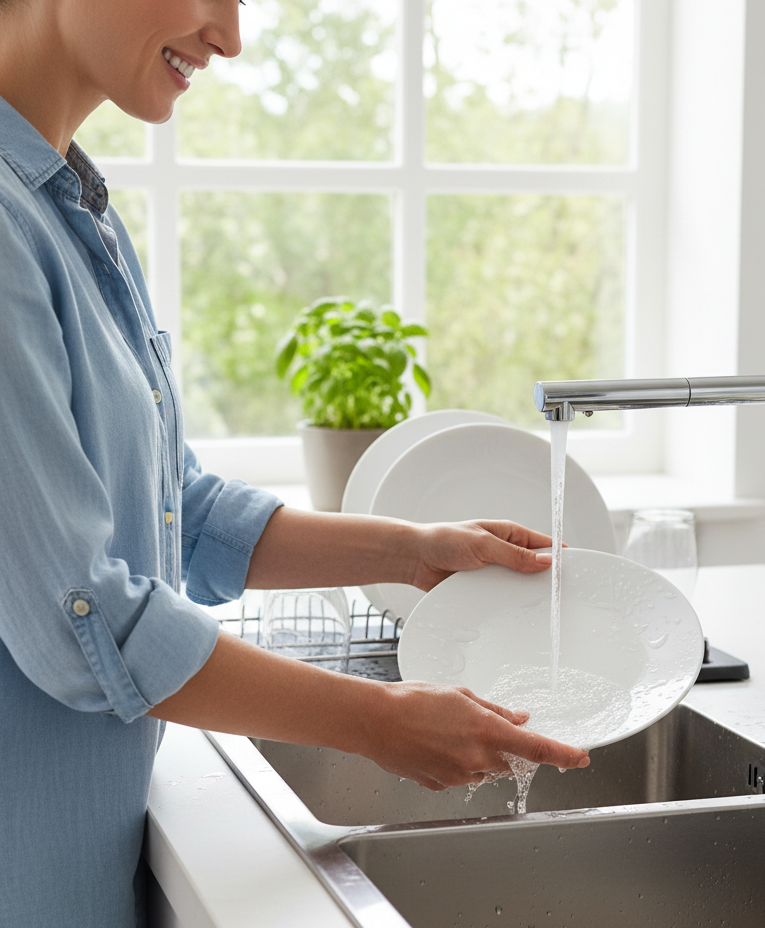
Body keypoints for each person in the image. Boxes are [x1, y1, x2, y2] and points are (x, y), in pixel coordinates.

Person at [0, 2, 589, 925]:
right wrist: (374, 721)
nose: (230, 37)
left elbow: (175, 509)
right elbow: (80, 618)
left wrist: (412, 551)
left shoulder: (67, 208)